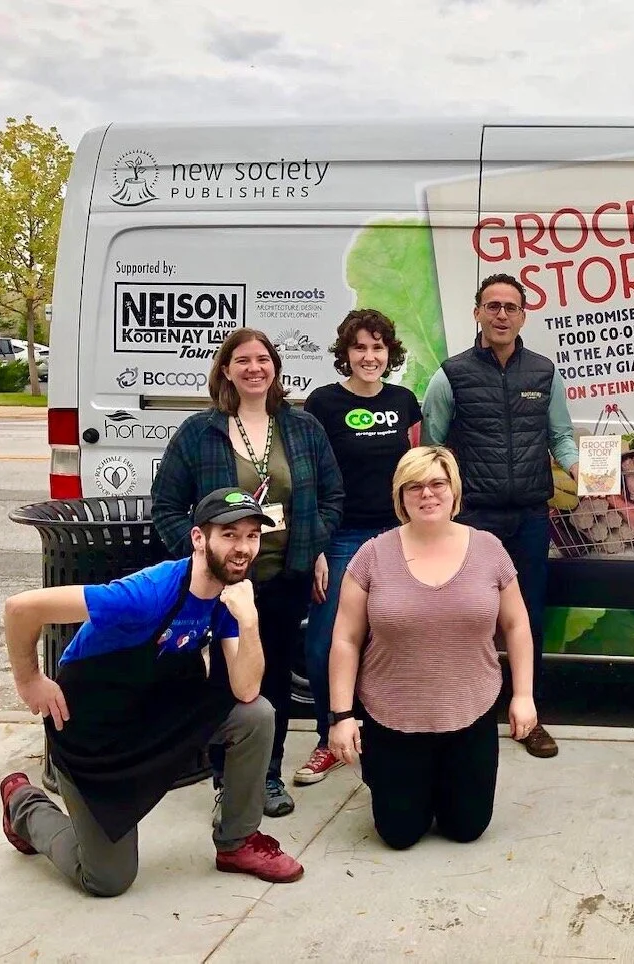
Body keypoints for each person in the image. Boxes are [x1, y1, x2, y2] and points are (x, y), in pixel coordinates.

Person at [0, 489, 305, 895]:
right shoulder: (145, 594)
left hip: (155, 711)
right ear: (199, 538)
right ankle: (23, 803)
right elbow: (21, 609)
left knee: (256, 716)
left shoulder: (231, 597)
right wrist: (30, 680)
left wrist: (248, 623)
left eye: (252, 536)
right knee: (107, 879)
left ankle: (237, 841)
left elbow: (246, 690)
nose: (243, 548)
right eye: (230, 535)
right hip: (95, 732)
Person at [152, 329, 344, 817]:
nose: (254, 368)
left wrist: (314, 541)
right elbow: (168, 505)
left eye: (263, 359)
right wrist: (202, 559)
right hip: (225, 586)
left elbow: (332, 496)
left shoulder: (302, 429)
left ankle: (269, 774)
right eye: (243, 360)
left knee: (273, 680)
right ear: (226, 370)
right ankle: (226, 778)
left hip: (284, 577)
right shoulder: (201, 432)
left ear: (275, 368)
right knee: (225, 682)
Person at [325, 447, 537, 849]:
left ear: (454, 492)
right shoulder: (371, 555)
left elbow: (517, 624)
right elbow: (345, 639)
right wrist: (342, 716)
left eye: (437, 484)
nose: (427, 494)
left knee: (467, 829)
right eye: (414, 486)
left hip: (469, 714)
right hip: (393, 720)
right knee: (399, 835)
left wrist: (523, 695)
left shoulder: (489, 549)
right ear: (400, 497)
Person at [421, 272, 578, 759]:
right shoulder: (451, 374)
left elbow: (563, 438)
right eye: (493, 306)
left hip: (530, 516)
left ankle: (527, 715)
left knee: (526, 617)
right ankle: (461, 714)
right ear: (477, 313)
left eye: (511, 307)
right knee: (465, 616)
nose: (502, 315)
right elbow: (432, 449)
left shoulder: (544, 373)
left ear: (524, 315)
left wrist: (587, 473)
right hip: (473, 520)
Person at [296, 309, 421, 787]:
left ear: (390, 353)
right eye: (359, 348)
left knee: (398, 634)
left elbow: (417, 472)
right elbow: (308, 479)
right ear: (345, 354)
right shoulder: (323, 405)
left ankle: (390, 730)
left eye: (378, 347)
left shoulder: (405, 401)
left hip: (396, 534)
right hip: (342, 537)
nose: (369, 357)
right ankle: (330, 736)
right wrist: (316, 547)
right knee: (326, 638)